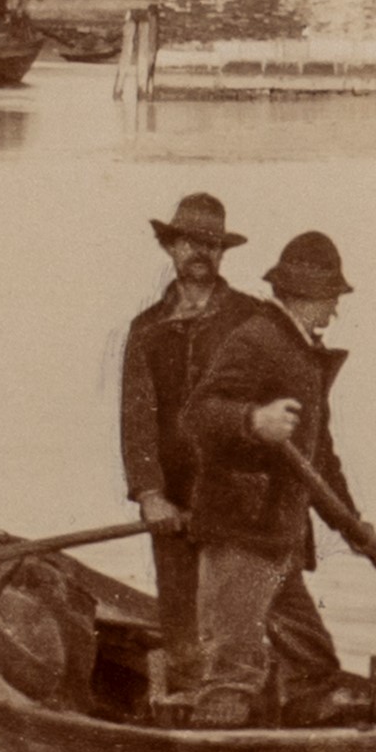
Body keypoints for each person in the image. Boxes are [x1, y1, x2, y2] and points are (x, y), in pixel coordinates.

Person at [175, 230, 370, 728]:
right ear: (303, 297)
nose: (334, 311)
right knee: (232, 674)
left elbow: (319, 456)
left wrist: (349, 523)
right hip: (242, 531)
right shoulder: (258, 338)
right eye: (329, 299)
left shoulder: (304, 351)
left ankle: (311, 722)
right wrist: (252, 420)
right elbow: (199, 414)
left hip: (279, 536)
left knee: (312, 666)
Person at [116, 192, 261, 706]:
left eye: (210, 243)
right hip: (173, 505)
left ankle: (237, 709)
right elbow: (138, 421)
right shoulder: (146, 331)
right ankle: (182, 713)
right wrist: (151, 494)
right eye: (189, 242)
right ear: (170, 248)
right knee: (181, 624)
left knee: (238, 625)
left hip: (239, 502)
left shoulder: (252, 320)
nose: (200, 252)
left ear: (223, 253)